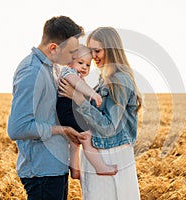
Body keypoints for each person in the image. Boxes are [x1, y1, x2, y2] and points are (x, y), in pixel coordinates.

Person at [7, 15, 85, 200]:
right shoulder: (32, 72)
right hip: (42, 171)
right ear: (53, 48)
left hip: (55, 166)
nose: (75, 56)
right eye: (72, 51)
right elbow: (17, 128)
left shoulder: (54, 68)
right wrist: (61, 130)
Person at [59, 27, 142, 200]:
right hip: (101, 153)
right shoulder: (103, 80)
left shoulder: (119, 80)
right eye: (91, 51)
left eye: (97, 51)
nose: (93, 56)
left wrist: (78, 98)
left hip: (111, 155)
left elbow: (109, 127)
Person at [56, 45, 118, 179]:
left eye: (88, 65)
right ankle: (101, 167)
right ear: (70, 61)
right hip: (67, 111)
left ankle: (75, 170)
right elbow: (78, 84)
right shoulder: (68, 72)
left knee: (75, 142)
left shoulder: (75, 74)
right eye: (80, 63)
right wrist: (92, 94)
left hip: (67, 112)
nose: (84, 67)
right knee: (87, 137)